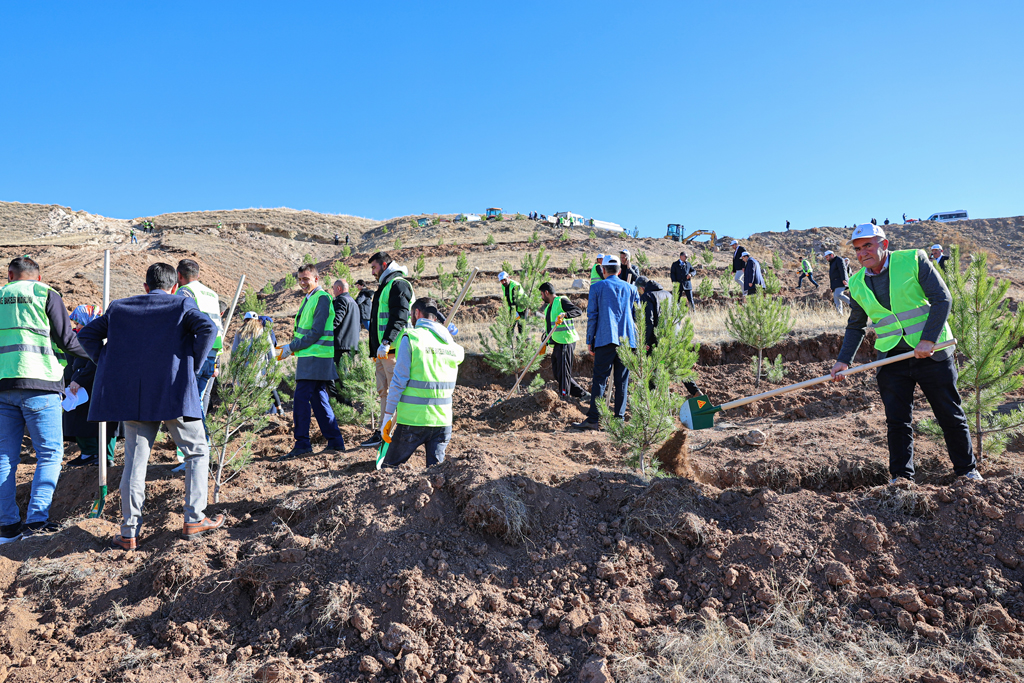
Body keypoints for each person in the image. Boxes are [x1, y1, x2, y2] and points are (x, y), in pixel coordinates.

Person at [78, 262, 223, 550]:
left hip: (133, 396)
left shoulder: (119, 308)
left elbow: (86, 335)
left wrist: (109, 364)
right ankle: (194, 518)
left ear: (145, 286)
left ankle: (129, 532)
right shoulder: (181, 304)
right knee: (196, 451)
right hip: (174, 393)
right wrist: (190, 365)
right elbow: (208, 328)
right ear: (174, 286)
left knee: (134, 462)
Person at [829, 224, 980, 483]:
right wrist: (843, 360)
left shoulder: (913, 259)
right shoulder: (856, 282)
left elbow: (942, 299)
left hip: (932, 353)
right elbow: (856, 324)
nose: (863, 252)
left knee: (949, 413)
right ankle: (901, 478)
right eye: (857, 249)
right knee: (897, 421)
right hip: (891, 358)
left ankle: (967, 471)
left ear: (884, 244)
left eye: (868, 245)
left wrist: (928, 339)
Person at [0, 257, 89, 543]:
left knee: (4, 459)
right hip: (41, 383)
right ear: (38, 277)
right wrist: (99, 358)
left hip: (3, 387)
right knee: (50, 454)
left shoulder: (1, 296)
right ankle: (37, 522)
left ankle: (7, 527)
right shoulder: (44, 293)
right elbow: (67, 339)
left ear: (9, 275)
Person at [378, 298, 464, 468]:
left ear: (416, 313)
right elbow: (460, 355)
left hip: (413, 420)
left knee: (389, 472)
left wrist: (387, 416)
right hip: (442, 421)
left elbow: (398, 380)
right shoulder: (450, 344)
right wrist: (448, 334)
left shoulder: (412, 337)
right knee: (436, 476)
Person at [277, 264, 346, 459]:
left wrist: (292, 347)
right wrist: (293, 346)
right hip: (312, 356)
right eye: (300, 279)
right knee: (318, 398)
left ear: (316, 278)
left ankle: (302, 444)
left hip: (315, 357)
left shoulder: (321, 298)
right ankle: (335, 441)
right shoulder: (310, 298)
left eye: (306, 279)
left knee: (301, 400)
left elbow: (316, 332)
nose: (302, 282)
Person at [571, 256, 639, 431]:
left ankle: (594, 419)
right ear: (618, 270)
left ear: (603, 270)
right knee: (622, 382)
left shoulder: (597, 287)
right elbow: (637, 317)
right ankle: (619, 421)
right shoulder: (631, 288)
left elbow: (592, 315)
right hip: (627, 341)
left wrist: (589, 341)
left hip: (604, 339)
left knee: (600, 380)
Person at [361, 252, 414, 448]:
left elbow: (399, 316)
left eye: (374, 267)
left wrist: (386, 341)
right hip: (383, 353)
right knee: (385, 392)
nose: (372, 272)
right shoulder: (385, 286)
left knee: (395, 393)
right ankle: (383, 431)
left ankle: (395, 434)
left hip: (395, 351)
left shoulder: (398, 284)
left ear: (384, 265)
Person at [64, 305, 117, 467]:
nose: (76, 327)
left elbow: (94, 363)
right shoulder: (93, 338)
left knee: (81, 418)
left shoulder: (91, 341)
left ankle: (92, 453)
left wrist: (79, 379)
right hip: (90, 386)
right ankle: (100, 455)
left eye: (79, 323)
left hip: (88, 386)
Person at [636, 277, 703, 397]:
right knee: (678, 365)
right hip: (674, 338)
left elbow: (649, 322)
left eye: (639, 291)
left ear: (641, 288)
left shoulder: (647, 296)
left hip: (658, 341)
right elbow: (677, 317)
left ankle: (653, 399)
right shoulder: (668, 294)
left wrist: (645, 342)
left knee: (652, 368)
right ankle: (696, 391)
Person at [176, 260, 224, 422]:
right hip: (211, 355)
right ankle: (203, 443)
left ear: (179, 275)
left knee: (188, 407)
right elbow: (218, 328)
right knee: (198, 404)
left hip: (195, 354)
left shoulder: (185, 291)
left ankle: (197, 444)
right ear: (198, 275)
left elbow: (179, 324)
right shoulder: (212, 294)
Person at [539, 283, 589, 402]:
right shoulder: (548, 308)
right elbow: (550, 328)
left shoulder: (561, 301)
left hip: (566, 341)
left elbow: (577, 311)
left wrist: (565, 314)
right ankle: (582, 394)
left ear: (546, 292)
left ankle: (564, 397)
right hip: (557, 342)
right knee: (557, 373)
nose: (541, 297)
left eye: (541, 294)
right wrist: (544, 341)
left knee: (564, 372)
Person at [232, 312, 283, 414]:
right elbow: (271, 353)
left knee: (244, 394)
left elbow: (234, 353)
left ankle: (246, 415)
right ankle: (276, 411)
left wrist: (233, 371)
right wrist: (273, 368)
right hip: (260, 370)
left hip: (244, 371)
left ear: (245, 320)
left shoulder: (239, 333)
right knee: (264, 393)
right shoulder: (263, 332)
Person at [328, 279, 360, 402]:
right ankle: (346, 404)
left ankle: (342, 404)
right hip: (351, 346)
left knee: (337, 377)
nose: (333, 291)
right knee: (345, 377)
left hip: (341, 345)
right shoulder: (353, 302)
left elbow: (336, 321)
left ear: (339, 289)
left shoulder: (342, 300)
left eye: (334, 289)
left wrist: (324, 333)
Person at [826, 250, 852, 315]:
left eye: (827, 257)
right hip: (835, 284)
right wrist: (832, 287)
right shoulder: (832, 263)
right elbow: (831, 276)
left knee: (838, 295)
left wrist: (844, 279)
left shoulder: (839, 259)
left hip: (841, 282)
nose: (826, 259)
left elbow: (843, 269)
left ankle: (854, 304)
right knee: (836, 299)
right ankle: (840, 314)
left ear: (831, 255)